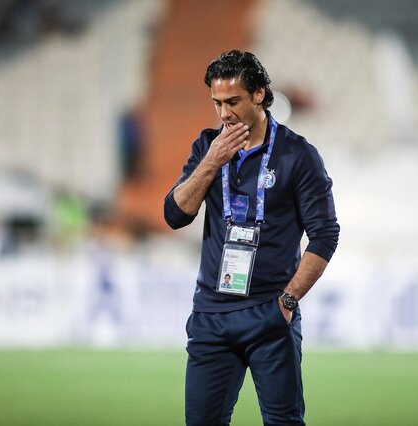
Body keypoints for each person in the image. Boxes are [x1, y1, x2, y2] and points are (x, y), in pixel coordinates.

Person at [164, 50, 339, 426]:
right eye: (217, 103)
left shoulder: (297, 155)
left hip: (268, 313)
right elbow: (175, 214)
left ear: (259, 94)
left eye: (233, 101)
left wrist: (287, 302)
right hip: (211, 314)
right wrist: (212, 161)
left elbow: (325, 235)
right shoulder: (208, 146)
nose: (224, 113)